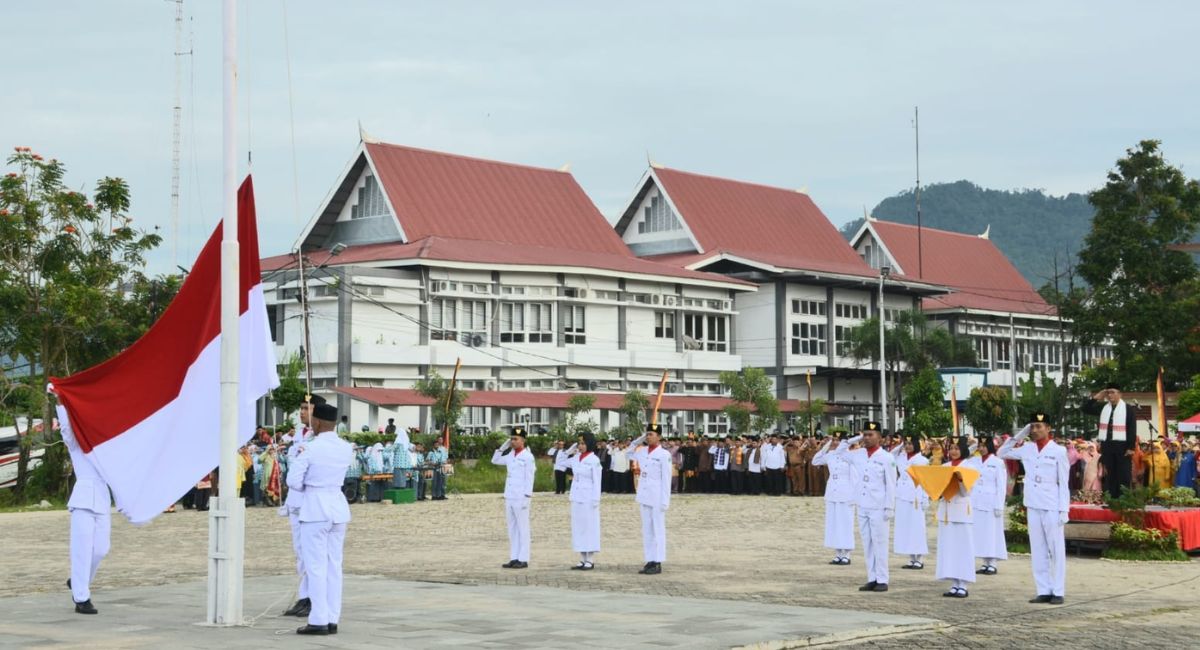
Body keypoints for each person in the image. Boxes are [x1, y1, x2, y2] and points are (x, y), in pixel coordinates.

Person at [288, 401, 354, 636]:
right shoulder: (346, 447)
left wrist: (310, 483)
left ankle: (318, 620)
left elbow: (293, 481)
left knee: (315, 566)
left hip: (315, 508)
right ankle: (332, 617)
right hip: (338, 507)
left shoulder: (311, 448)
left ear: (316, 422)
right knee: (334, 566)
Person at [998, 413, 1069, 605]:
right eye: (1033, 427)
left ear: (1048, 428)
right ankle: (1043, 589)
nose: (1036, 430)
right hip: (1033, 503)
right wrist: (1021, 434)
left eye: (1039, 426)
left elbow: (1064, 482)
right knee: (1037, 548)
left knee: (1056, 548)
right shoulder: (1027, 449)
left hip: (1052, 504)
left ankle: (1058, 590)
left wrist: (1064, 510)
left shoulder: (1059, 451)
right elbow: (1001, 452)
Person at [836, 422, 896, 593]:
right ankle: (872, 578)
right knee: (867, 543)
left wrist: (889, 507)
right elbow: (839, 452)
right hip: (862, 504)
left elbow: (891, 484)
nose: (868, 438)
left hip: (879, 506)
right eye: (866, 434)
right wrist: (855, 439)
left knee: (880, 543)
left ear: (880, 438)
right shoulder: (859, 454)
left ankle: (883, 579)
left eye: (871, 435)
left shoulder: (887, 457)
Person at [61, 415, 111, 615]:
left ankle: (77, 581)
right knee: (81, 551)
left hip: (102, 501)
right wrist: (61, 403)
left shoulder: (107, 450)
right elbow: (66, 431)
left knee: (101, 549)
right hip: (82, 501)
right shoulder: (77, 446)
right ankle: (81, 598)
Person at [282, 394, 325, 619]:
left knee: (312, 553)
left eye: (307, 408)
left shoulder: (320, 439)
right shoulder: (299, 435)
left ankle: (313, 597)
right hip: (296, 501)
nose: (302, 412)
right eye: (301, 408)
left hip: (311, 501)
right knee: (300, 552)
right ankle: (304, 595)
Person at [628, 423, 672, 574]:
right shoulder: (642, 451)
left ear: (659, 437)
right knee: (647, 529)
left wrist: (665, 500)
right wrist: (638, 440)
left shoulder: (664, 455)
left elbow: (666, 479)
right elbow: (628, 452)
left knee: (657, 529)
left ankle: (658, 561)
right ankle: (650, 560)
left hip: (657, 496)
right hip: (644, 494)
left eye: (651, 434)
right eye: (647, 434)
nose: (648, 437)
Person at [936, 436, 977, 598]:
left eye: (957, 448)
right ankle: (954, 583)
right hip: (946, 511)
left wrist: (960, 479)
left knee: (963, 548)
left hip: (961, 511)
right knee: (949, 549)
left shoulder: (970, 467)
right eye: (951, 448)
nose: (953, 451)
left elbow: (967, 491)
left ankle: (964, 584)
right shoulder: (945, 466)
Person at [1083, 383, 1138, 499]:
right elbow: (1085, 409)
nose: (1109, 395)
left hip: (1122, 447)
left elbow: (1132, 428)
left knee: (1123, 475)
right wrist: (1096, 397)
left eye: (1112, 392)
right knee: (1109, 475)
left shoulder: (1128, 409)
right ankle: (1111, 500)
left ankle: (1124, 500)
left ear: (1120, 394)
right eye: (1108, 392)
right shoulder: (1103, 407)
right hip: (1107, 446)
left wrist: (1131, 447)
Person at [492, 427, 536, 568]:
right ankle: (514, 557)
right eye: (511, 439)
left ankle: (523, 558)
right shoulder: (510, 455)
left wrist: (527, 496)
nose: (513, 441)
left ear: (523, 440)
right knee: (512, 528)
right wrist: (502, 447)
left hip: (521, 496)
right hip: (510, 495)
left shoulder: (528, 457)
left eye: (515, 439)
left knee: (523, 528)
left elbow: (530, 477)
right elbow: (495, 460)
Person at [812, 433, 855, 565]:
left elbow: (855, 476)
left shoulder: (851, 456)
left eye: (838, 440)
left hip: (846, 492)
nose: (836, 443)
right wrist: (826, 445)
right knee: (834, 523)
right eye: (834, 440)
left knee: (845, 523)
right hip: (832, 491)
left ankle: (846, 554)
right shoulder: (831, 455)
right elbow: (815, 461)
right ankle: (838, 553)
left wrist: (854, 495)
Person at [972, 436, 1008, 576]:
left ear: (990, 446)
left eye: (983, 446)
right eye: (979, 446)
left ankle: (992, 563)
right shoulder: (974, 461)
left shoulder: (997, 462)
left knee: (992, 533)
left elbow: (1001, 485)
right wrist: (971, 445)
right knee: (981, 533)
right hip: (977, 501)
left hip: (991, 502)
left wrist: (1000, 504)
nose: (981, 449)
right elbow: (963, 457)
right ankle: (985, 562)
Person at [893, 434, 930, 570]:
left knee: (917, 527)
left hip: (916, 495)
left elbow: (925, 481)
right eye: (906, 444)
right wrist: (899, 445)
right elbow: (890, 454)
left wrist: (925, 498)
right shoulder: (900, 458)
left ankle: (919, 558)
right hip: (902, 494)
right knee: (905, 526)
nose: (908, 446)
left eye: (910, 444)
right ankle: (911, 558)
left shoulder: (922, 460)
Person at [567, 433, 603, 569]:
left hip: (589, 497)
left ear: (589, 444)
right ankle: (582, 558)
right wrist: (570, 449)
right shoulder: (576, 458)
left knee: (589, 527)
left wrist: (595, 499)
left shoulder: (594, 460)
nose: (580, 446)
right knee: (579, 527)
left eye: (583, 443)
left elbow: (597, 481)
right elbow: (561, 461)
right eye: (579, 443)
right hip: (576, 496)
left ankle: (590, 559)